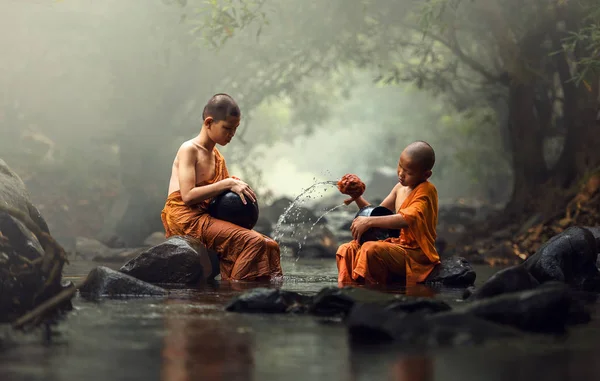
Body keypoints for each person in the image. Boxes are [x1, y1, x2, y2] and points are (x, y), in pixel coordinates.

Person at [160, 93, 283, 281]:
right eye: (227, 128)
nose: (231, 134)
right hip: (187, 219)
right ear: (209, 122)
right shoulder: (189, 149)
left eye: (235, 129)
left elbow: (221, 201)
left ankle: (271, 296)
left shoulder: (218, 157)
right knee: (254, 242)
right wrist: (227, 183)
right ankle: (232, 291)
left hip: (207, 217)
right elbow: (188, 196)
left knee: (271, 245)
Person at [336, 141, 440, 285]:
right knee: (346, 249)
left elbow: (407, 219)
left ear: (426, 174)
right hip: (394, 245)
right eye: (400, 167)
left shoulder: (426, 191)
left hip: (415, 254)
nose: (401, 174)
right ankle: (347, 291)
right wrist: (357, 197)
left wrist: (368, 222)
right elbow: (377, 214)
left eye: (409, 172)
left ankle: (374, 292)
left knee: (370, 249)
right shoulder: (399, 188)